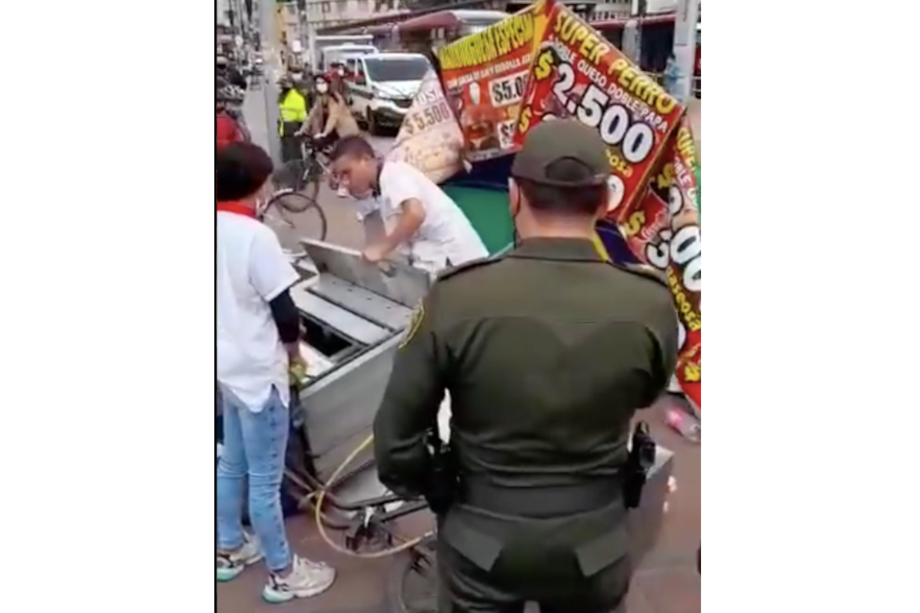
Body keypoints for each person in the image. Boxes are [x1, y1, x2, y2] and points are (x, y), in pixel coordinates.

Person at [372, 119, 679, 613]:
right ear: (605, 202)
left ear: (514, 196)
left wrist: (439, 492)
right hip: (595, 544)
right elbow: (648, 393)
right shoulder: (649, 301)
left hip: (480, 542)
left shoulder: (456, 297)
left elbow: (395, 443)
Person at [217, 142, 336, 603]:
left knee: (232, 464)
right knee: (266, 481)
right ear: (256, 184)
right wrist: (295, 355)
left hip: (227, 368)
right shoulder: (255, 236)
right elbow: (284, 312)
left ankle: (229, 548)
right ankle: (283, 573)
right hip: (259, 372)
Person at [329, 135, 488, 275]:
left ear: (365, 160)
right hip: (435, 257)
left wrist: (382, 248)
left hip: (454, 257)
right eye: (341, 177)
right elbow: (375, 230)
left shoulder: (393, 173)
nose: (346, 182)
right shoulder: (379, 189)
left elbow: (415, 214)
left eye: (347, 173)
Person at [277, 75, 308, 165]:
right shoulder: (284, 96)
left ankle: (294, 171)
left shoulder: (295, 97)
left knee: (292, 156)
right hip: (285, 128)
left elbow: (302, 116)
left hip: (292, 129)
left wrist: (301, 130)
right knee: (288, 155)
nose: (281, 87)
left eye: (283, 85)